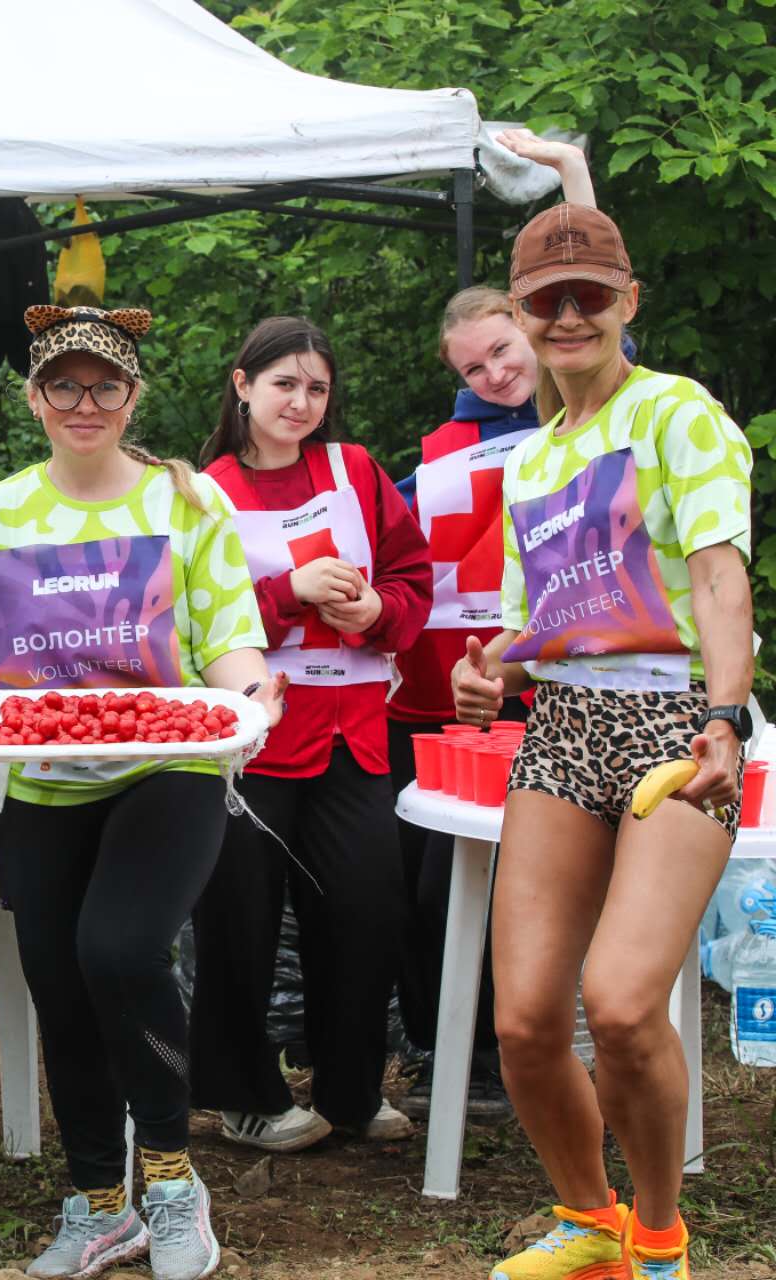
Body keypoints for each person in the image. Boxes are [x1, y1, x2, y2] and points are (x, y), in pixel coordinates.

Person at [0, 303, 286, 1280]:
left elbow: (231, 641)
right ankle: (98, 1203)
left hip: (171, 765)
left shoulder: (188, 502)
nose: (86, 403)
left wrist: (251, 694)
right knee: (62, 985)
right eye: (65, 385)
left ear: (133, 396)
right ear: (34, 397)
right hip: (41, 778)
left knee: (118, 949)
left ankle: (170, 1178)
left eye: (106, 385)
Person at [455, 204, 753, 1280]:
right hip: (565, 724)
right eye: (549, 299)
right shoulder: (531, 460)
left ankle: (661, 1237)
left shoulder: (677, 412)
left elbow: (717, 575)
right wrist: (489, 672)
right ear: (522, 312)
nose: (570, 314)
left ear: (629, 300)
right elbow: (535, 631)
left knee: (622, 1004)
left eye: (591, 294)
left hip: (678, 718)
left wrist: (726, 714)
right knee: (527, 1022)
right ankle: (592, 1223)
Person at [387, 134, 599, 1124]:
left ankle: (546, 1050)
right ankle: (449, 1052)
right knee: (441, 884)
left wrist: (569, 174)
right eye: (475, 365)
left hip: (577, 688)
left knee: (550, 885)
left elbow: (585, 277)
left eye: (505, 350)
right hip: (459, 701)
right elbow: (389, 549)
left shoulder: (589, 412)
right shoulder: (434, 457)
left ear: (531, 326)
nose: (497, 372)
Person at [189, 318, 432, 1154]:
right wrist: (288, 591)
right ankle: (243, 1095)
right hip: (255, 739)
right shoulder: (206, 493)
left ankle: (352, 1092)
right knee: (240, 921)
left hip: (354, 733)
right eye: (284, 383)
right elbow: (191, 619)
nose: (300, 402)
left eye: (317, 388)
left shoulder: (355, 469)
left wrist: (379, 610)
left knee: (368, 912)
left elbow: (412, 577)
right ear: (243, 384)